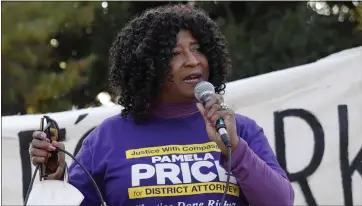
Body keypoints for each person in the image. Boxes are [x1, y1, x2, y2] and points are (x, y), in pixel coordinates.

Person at [30, 3, 294, 206]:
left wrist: (235, 149)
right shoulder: (107, 137)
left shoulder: (239, 130)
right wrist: (54, 179)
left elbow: (281, 201)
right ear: (147, 66)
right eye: (175, 53)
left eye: (198, 48)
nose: (192, 61)